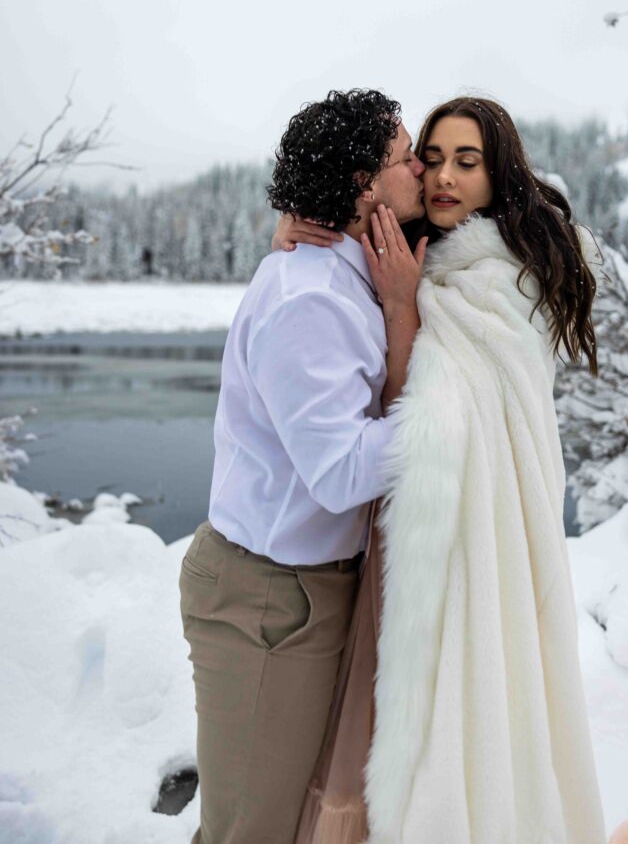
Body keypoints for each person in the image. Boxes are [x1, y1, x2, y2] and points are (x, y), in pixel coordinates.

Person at [276, 96, 608, 843]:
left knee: (476, 708)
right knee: (394, 722)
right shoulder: (415, 259)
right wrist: (295, 233)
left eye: (468, 160)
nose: (444, 178)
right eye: (430, 159)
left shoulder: (506, 281)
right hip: (421, 534)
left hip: (477, 537)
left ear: (500, 175)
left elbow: (422, 417)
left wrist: (403, 312)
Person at [178, 88, 429, 844]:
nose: (422, 169)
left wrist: (401, 311)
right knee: (250, 830)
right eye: (405, 157)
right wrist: (454, 414)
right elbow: (343, 474)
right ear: (362, 185)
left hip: (307, 596)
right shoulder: (309, 300)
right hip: (268, 604)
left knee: (295, 819)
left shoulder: (357, 274)